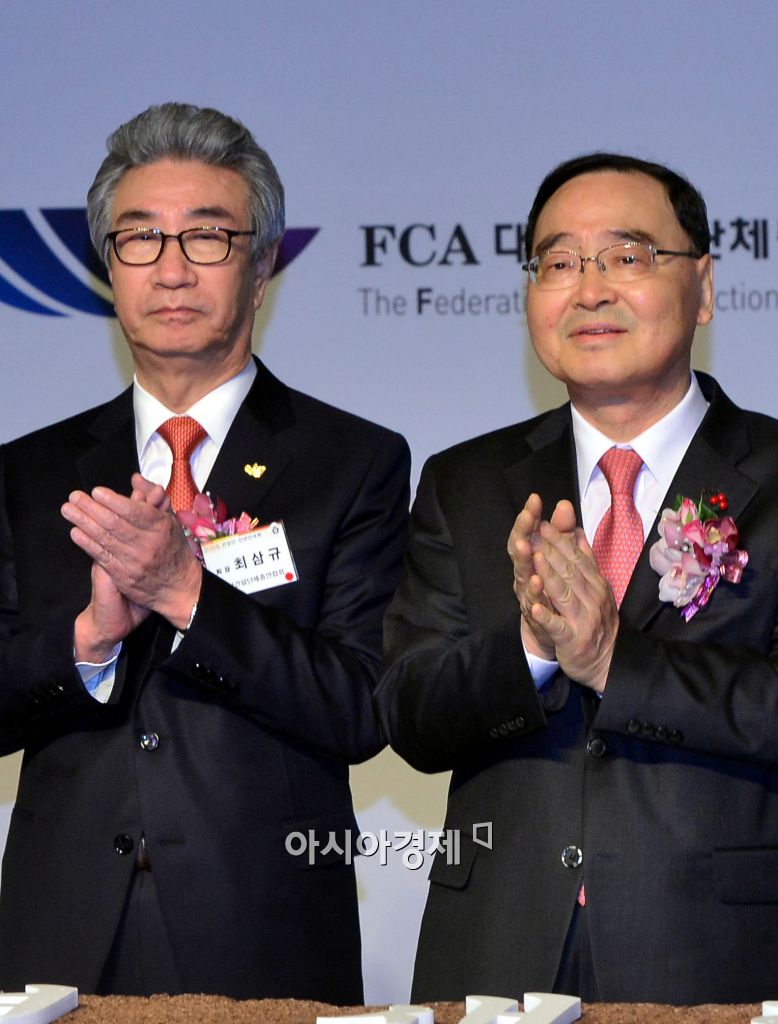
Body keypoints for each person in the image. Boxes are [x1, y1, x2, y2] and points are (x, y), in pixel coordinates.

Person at [0, 102, 409, 1001]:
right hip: (61, 933)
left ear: (262, 266)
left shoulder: (352, 462)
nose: (172, 268)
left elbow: (362, 707)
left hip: (266, 929)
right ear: (109, 267)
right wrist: (87, 644)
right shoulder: (29, 472)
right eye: (140, 238)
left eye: (208, 237)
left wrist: (189, 593)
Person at [376, 152, 778, 1004]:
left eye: (626, 257)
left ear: (703, 287)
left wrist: (611, 660)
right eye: (558, 263)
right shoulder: (466, 483)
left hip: (720, 953)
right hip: (496, 951)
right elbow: (409, 713)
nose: (589, 290)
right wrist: (528, 648)